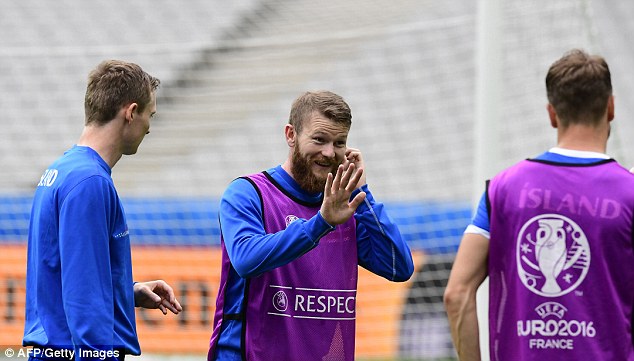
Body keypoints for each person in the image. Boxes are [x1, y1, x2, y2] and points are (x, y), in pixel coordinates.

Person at [444, 49, 634, 360]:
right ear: (611, 107)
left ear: (551, 114)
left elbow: (457, 295)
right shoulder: (628, 192)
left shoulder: (501, 190)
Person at [207, 90, 414, 361]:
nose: (329, 153)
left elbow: (399, 267)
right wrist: (321, 224)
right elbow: (246, 260)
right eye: (319, 139)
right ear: (290, 135)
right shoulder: (247, 193)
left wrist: (363, 194)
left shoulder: (346, 208)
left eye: (339, 143)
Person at [23, 60, 182, 361]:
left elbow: (66, 272)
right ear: (131, 112)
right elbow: (82, 295)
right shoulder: (90, 182)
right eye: (150, 115)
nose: (149, 127)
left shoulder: (62, 170)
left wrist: (127, 291)